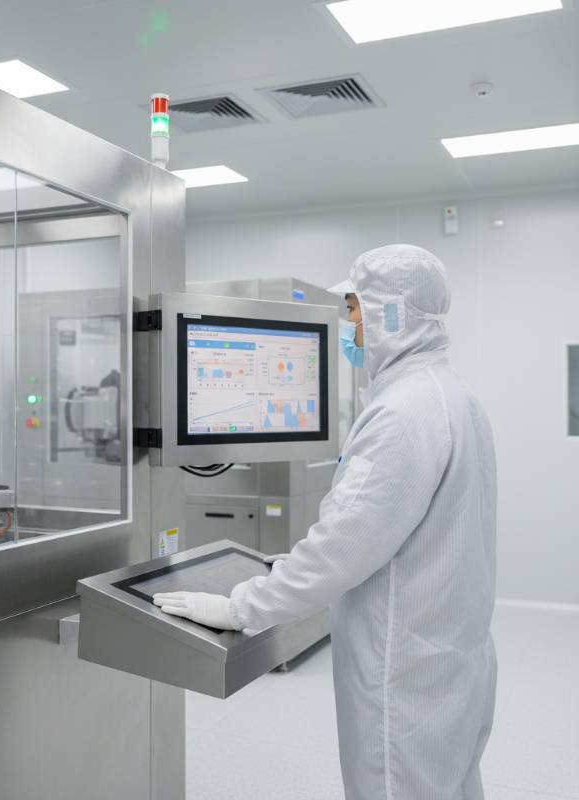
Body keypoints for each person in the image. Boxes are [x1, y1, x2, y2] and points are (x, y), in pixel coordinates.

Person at [154, 244, 498, 800]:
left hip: (404, 672)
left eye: (355, 307)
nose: (350, 323)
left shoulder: (403, 414)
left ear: (389, 313)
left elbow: (342, 547)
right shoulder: (453, 397)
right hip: (449, 659)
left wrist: (242, 606)